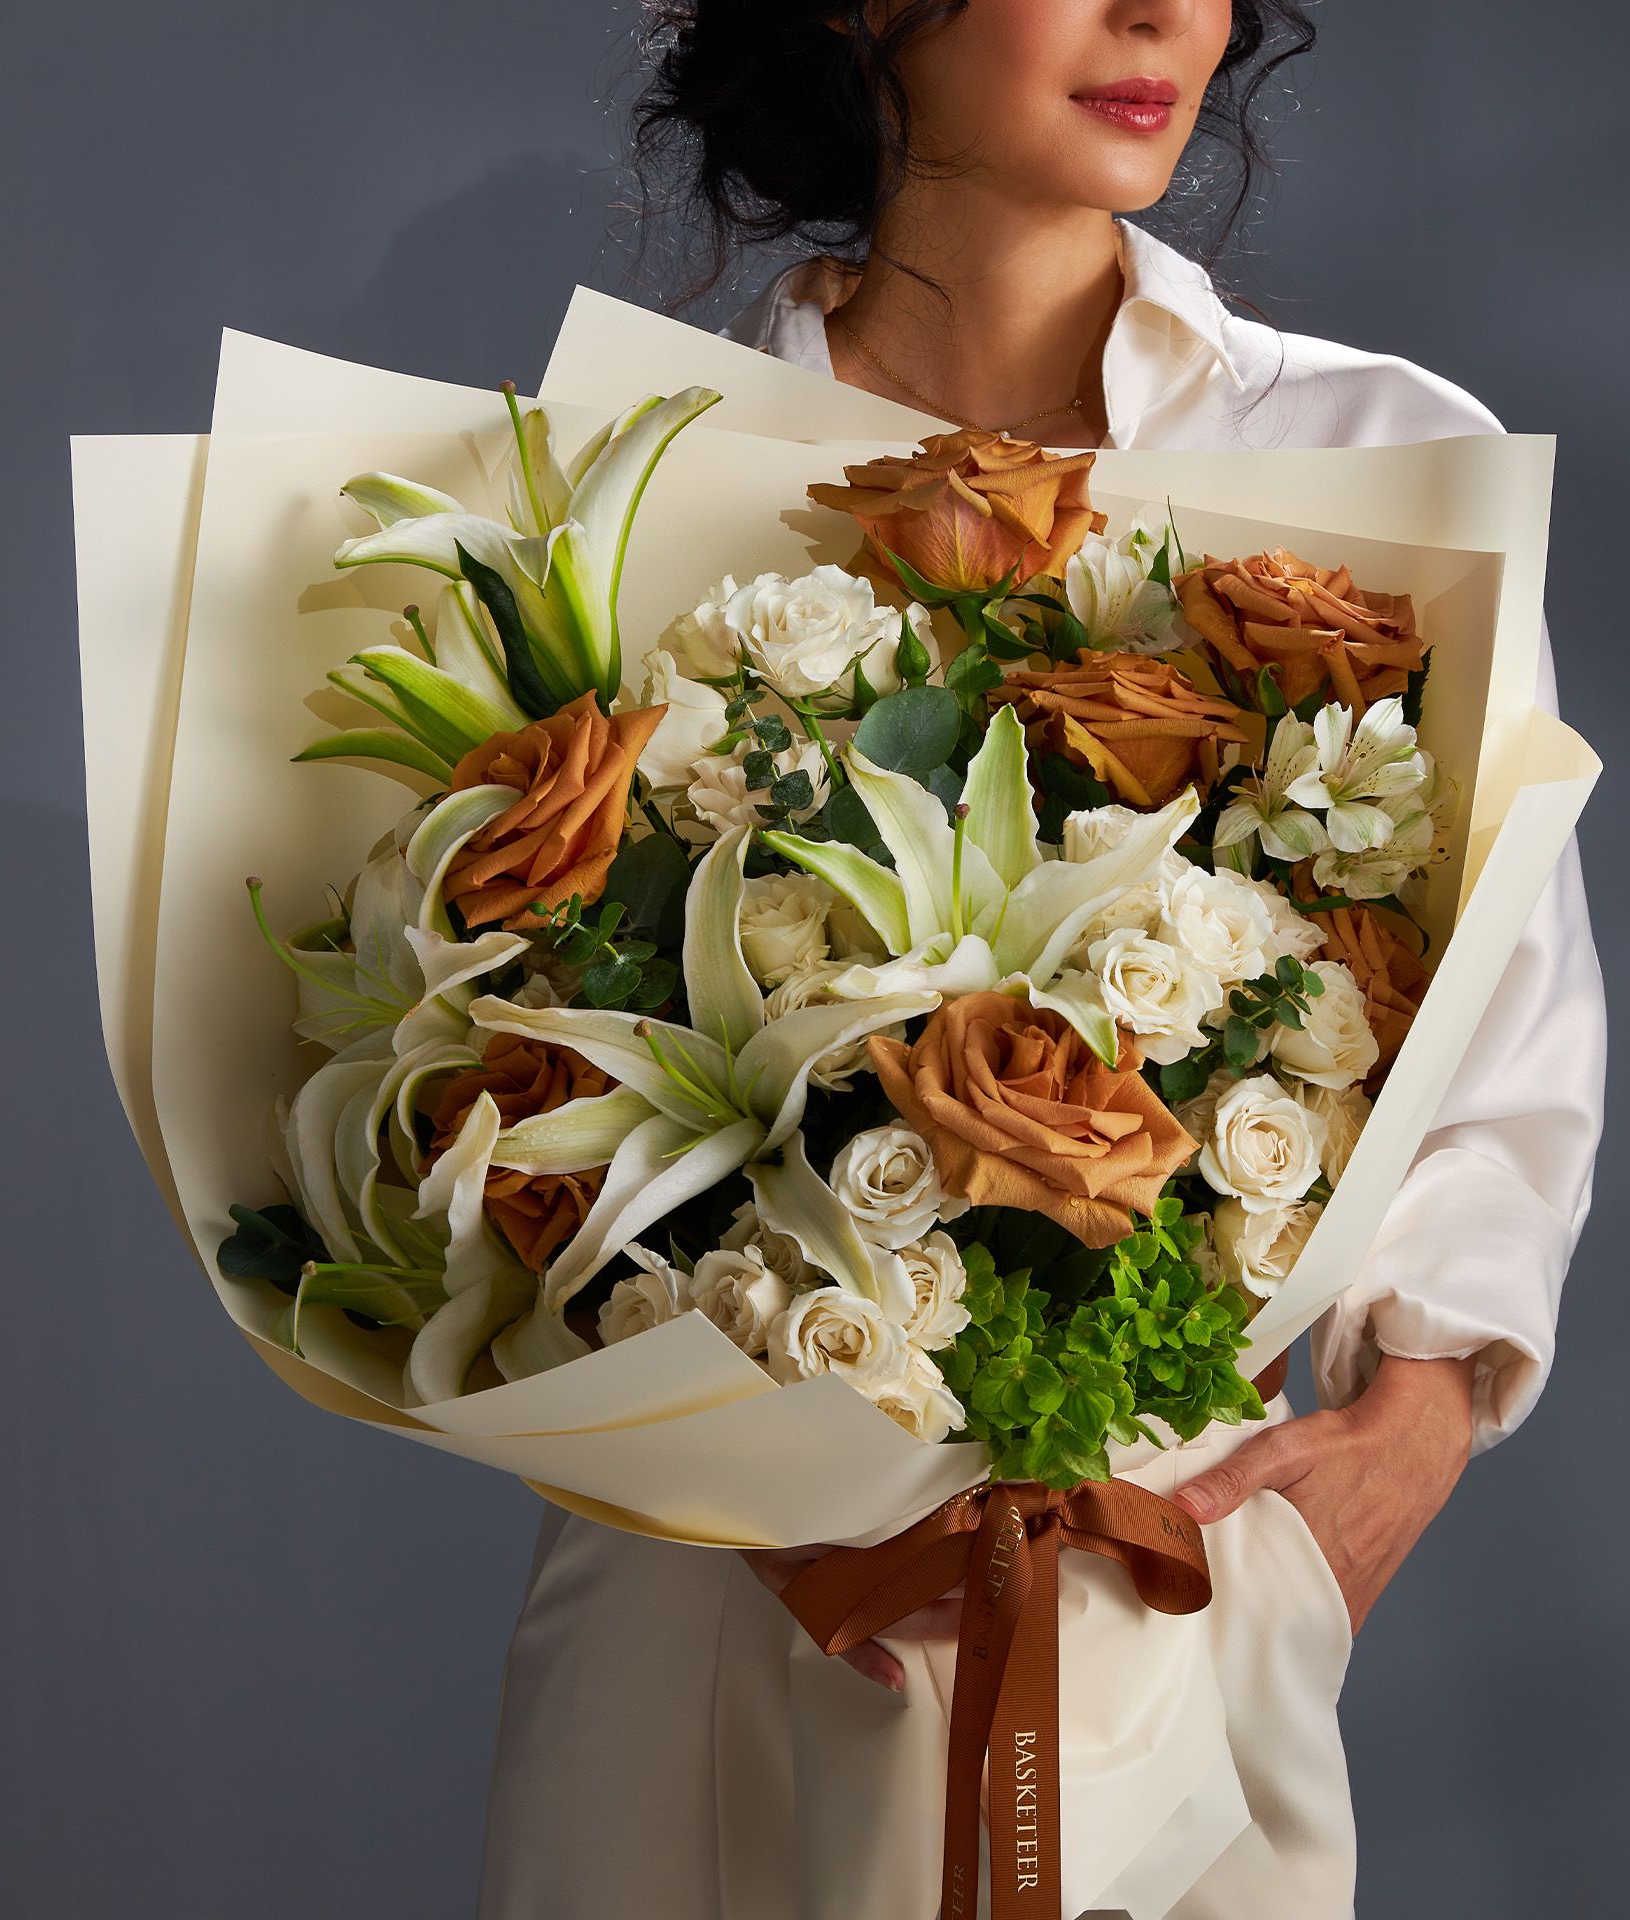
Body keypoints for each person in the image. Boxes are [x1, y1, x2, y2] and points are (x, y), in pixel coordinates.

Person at [475, 6, 1607, 1915]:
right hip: (720, 1617)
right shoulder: (623, 488)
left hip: (1163, 1584)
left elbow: (1504, 1058)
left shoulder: (1376, 456)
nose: (1164, 12)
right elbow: (492, 1071)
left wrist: (1405, 1437)